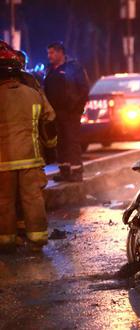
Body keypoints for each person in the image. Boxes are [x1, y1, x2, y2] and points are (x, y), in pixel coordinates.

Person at [0, 48, 56, 252]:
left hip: (2, 162)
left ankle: (5, 241)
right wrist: (50, 148)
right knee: (33, 200)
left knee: (4, 201)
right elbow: (49, 121)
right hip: (30, 158)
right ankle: (37, 239)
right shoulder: (33, 94)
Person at [44, 42, 89, 182]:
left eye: (51, 53)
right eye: (48, 53)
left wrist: (76, 108)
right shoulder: (50, 69)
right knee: (61, 142)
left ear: (60, 53)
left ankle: (76, 172)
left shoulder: (73, 68)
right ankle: (65, 171)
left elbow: (83, 88)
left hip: (71, 113)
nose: (49, 56)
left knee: (71, 141)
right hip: (56, 113)